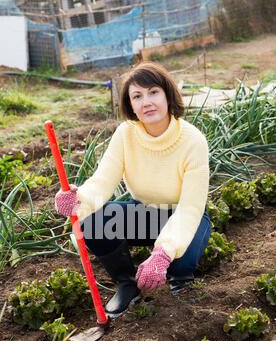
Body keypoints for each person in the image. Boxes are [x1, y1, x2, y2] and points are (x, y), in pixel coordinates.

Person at [55, 62, 211, 318]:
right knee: (94, 222)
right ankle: (127, 284)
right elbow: (103, 180)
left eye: (153, 92)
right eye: (137, 96)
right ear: (130, 105)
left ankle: (180, 281)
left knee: (180, 261)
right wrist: (78, 199)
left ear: (167, 95)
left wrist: (163, 253)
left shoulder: (193, 140)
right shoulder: (126, 134)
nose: (146, 102)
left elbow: (191, 208)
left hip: (187, 217)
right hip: (147, 213)